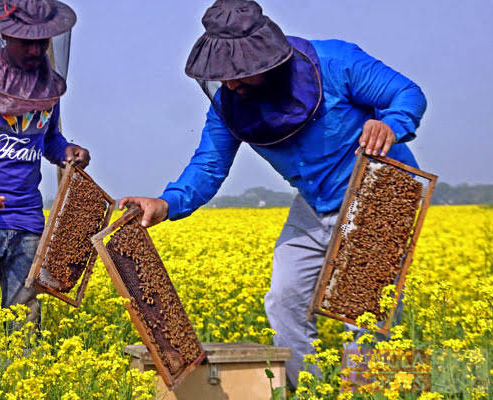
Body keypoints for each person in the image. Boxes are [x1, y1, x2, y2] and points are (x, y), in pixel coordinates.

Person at [120, 0, 426, 388]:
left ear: (268, 62)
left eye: (240, 74)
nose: (231, 84)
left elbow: (408, 93)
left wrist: (391, 125)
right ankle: (310, 390)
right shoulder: (230, 107)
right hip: (315, 203)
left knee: (363, 314)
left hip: (381, 190)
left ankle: (365, 393)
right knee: (283, 300)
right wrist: (166, 203)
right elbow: (208, 167)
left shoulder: (336, 62)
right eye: (223, 76)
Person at [0, 0, 89, 349]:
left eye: (43, 42)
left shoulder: (48, 89)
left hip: (27, 224)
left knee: (25, 326)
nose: (36, 50)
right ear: (5, 35)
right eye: (27, 42)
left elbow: (49, 138)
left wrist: (67, 151)